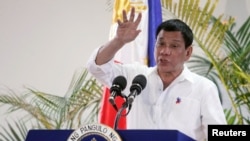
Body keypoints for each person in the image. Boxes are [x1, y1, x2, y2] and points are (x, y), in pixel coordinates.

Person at [86, 7, 227, 141]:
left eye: (174, 46)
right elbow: (97, 68)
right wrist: (119, 41)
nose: (165, 51)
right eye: (161, 43)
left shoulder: (203, 88)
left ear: (188, 52)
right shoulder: (136, 77)